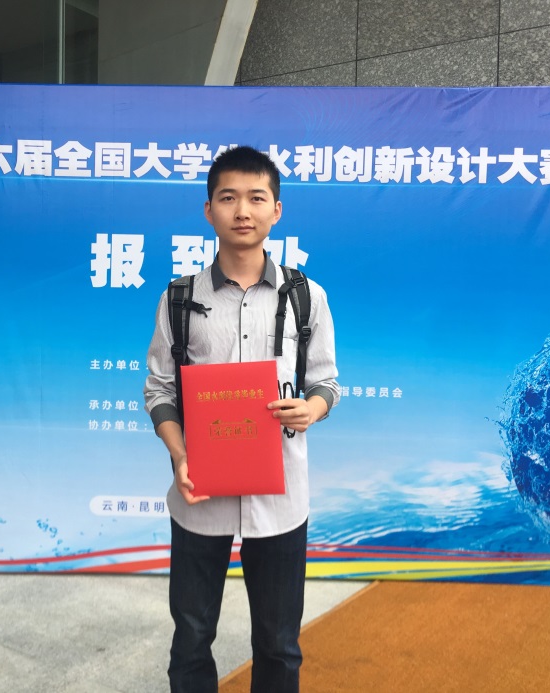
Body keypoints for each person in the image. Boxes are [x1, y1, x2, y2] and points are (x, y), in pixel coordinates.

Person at [144, 145, 340, 693]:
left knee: (278, 644)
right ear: (209, 210)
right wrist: (180, 454)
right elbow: (160, 389)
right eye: (228, 198)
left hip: (281, 497)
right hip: (199, 492)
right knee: (191, 638)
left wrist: (311, 408)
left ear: (277, 210)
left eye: (256, 198)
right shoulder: (179, 298)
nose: (242, 211)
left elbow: (326, 382)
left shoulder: (307, 297)